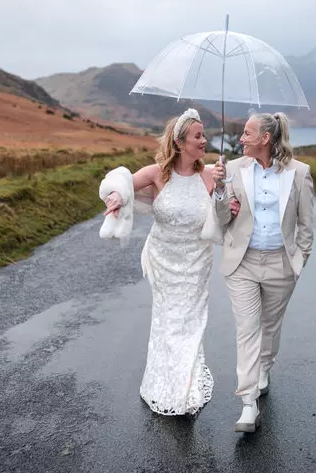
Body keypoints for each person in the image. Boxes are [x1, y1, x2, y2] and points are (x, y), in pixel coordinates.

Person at [99, 108, 239, 416]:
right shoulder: (156, 173)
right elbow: (123, 184)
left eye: (204, 135)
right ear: (179, 142)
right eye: (198, 136)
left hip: (197, 260)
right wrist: (116, 197)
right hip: (163, 259)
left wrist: (221, 190)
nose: (205, 140)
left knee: (190, 322)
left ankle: (186, 385)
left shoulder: (209, 175)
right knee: (168, 320)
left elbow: (222, 218)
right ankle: (166, 382)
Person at [212, 111, 314, 433]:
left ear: (264, 139)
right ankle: (248, 402)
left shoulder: (299, 173)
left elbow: (306, 227)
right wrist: (217, 190)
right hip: (242, 263)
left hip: (281, 263)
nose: (241, 139)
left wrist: (298, 263)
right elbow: (221, 219)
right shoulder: (232, 170)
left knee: (270, 326)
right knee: (247, 328)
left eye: (247, 133)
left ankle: (265, 367)